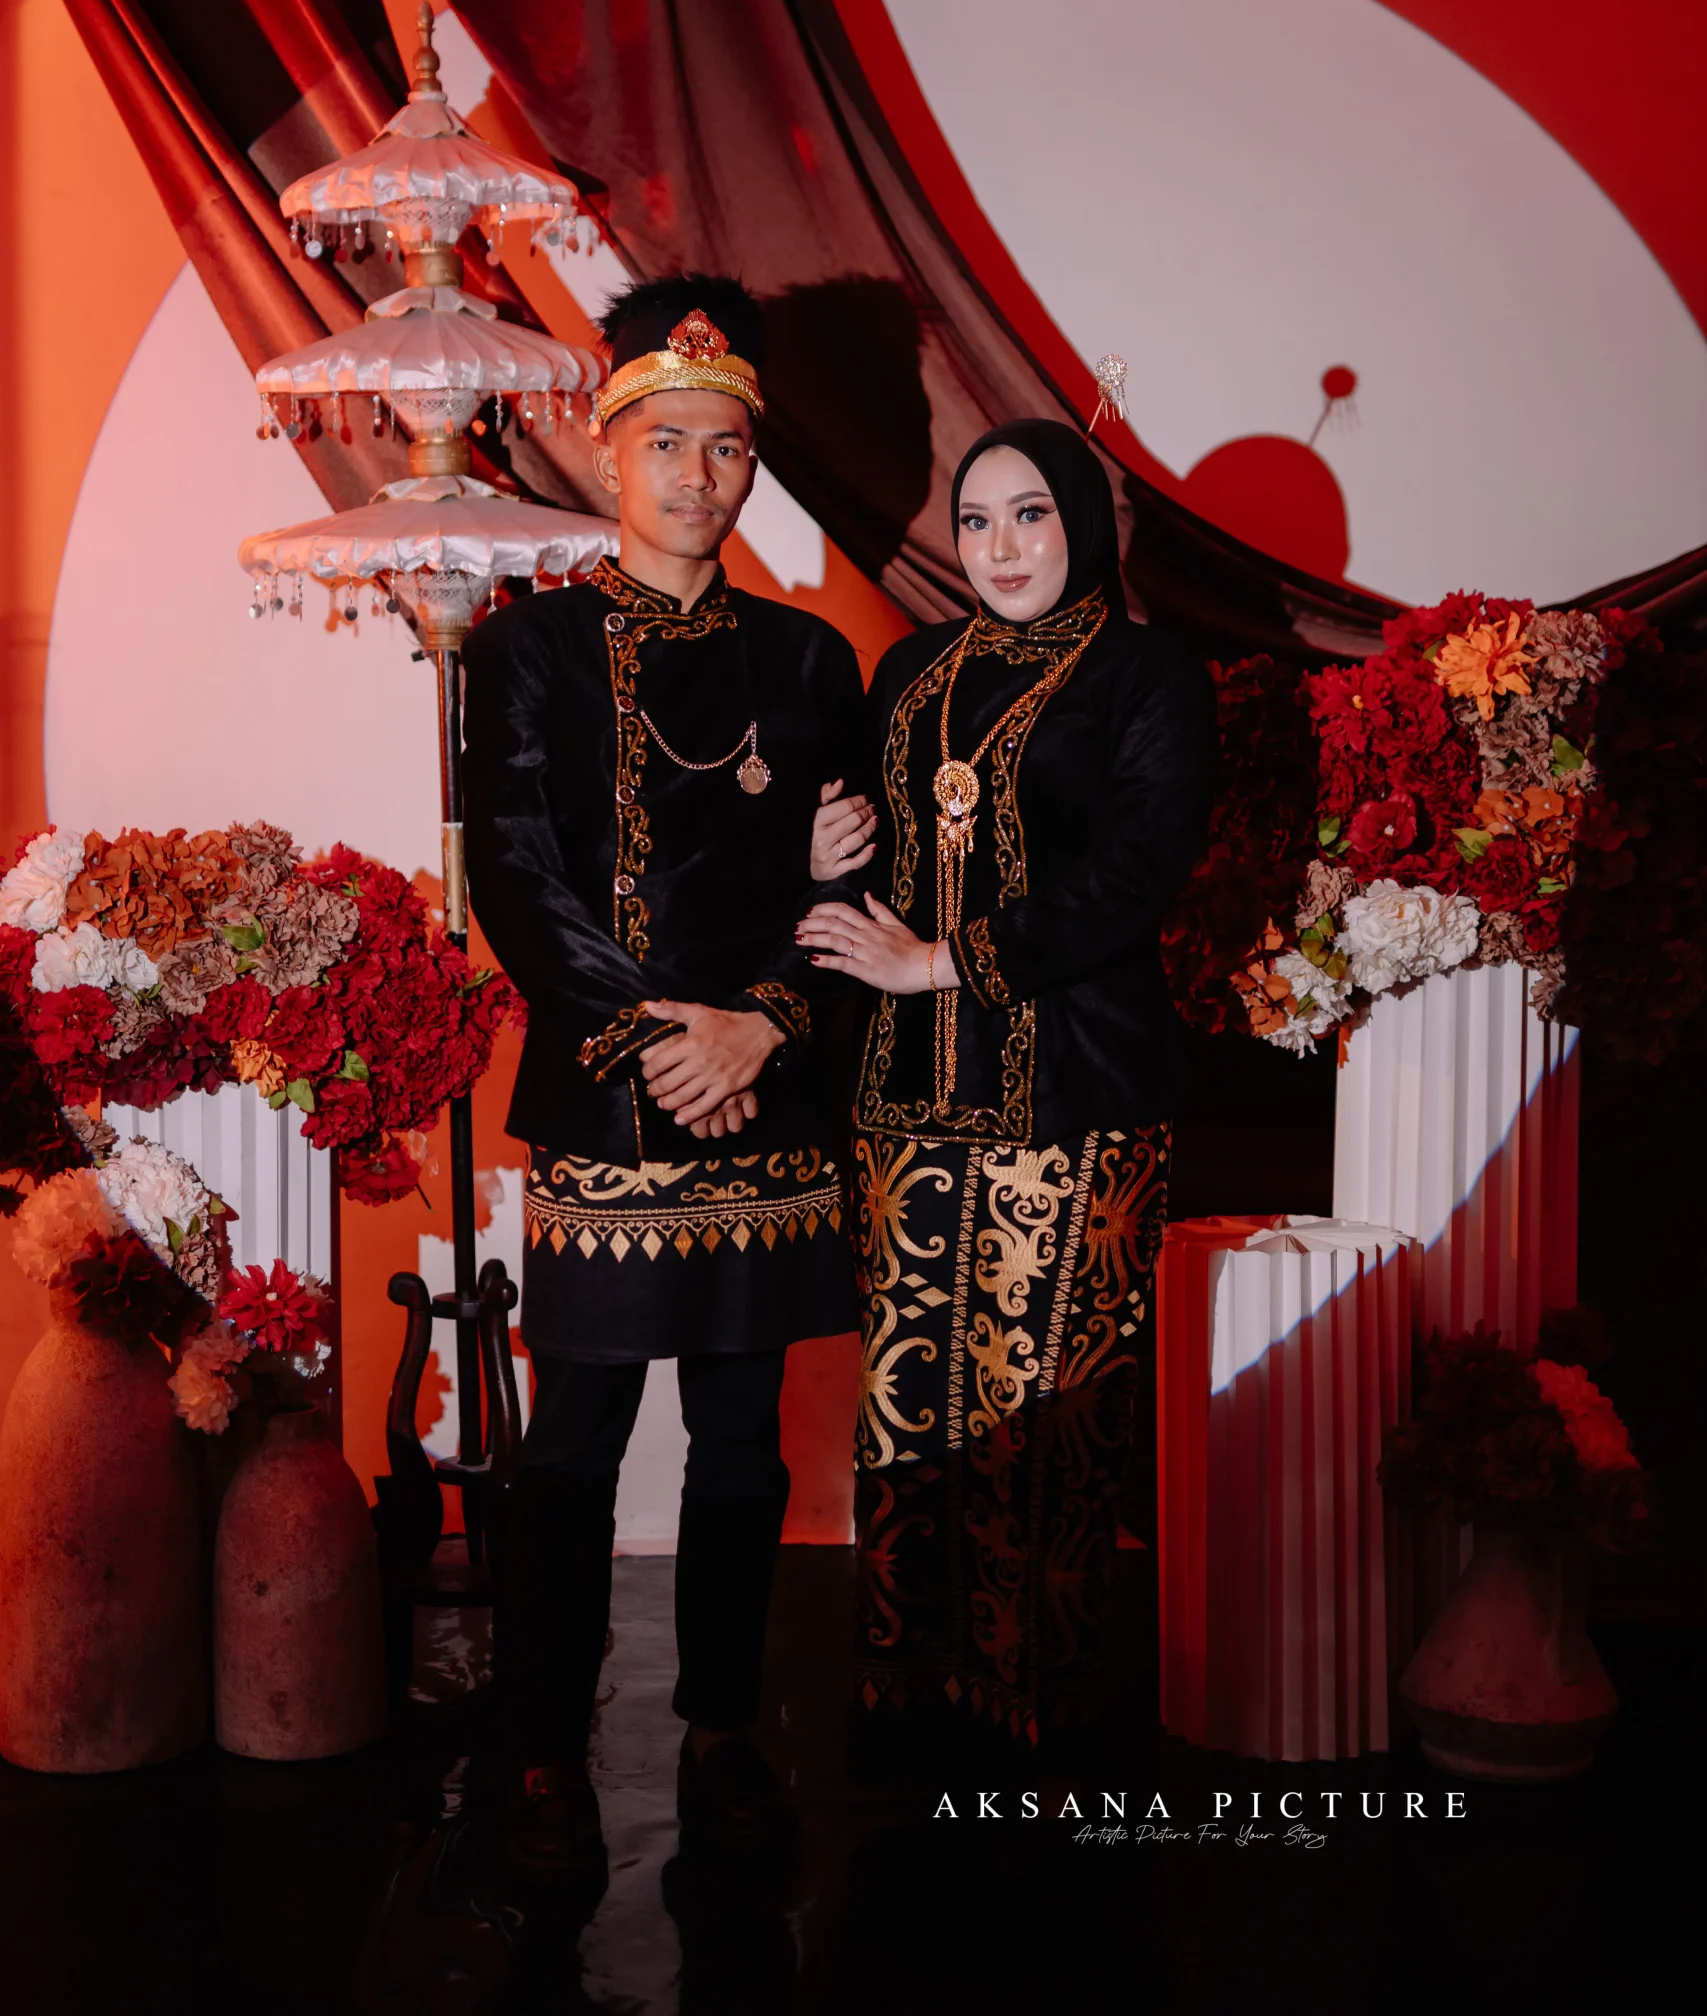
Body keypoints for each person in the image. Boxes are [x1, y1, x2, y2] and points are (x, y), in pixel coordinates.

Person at [461, 274, 862, 1873]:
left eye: (728, 448)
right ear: (611, 447)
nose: (701, 477)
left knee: (745, 1444)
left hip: (766, 1094)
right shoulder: (526, 649)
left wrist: (760, 1023)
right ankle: (540, 1737)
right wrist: (659, 1039)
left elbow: (853, 884)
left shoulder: (807, 661)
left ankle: (719, 1729)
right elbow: (515, 873)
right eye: (669, 444)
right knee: (573, 1442)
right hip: (612, 1100)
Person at [796, 418, 1216, 1745]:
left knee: (1044, 1414)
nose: (1001, 548)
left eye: (1030, 515)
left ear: (1083, 522)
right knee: (908, 1401)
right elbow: (878, 863)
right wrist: (828, 849)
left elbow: (1134, 877)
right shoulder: (911, 668)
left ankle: (1032, 1696)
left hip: (1076, 1091)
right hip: (907, 1099)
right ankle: (905, 1676)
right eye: (976, 522)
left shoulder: (1147, 678)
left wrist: (942, 964)